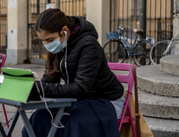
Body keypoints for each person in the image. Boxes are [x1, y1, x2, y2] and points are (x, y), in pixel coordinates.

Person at [22, 9, 124, 137]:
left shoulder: (89, 45)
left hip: (104, 100)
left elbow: (80, 88)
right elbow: (49, 80)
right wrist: (32, 89)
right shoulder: (60, 45)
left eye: (49, 39)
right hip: (78, 99)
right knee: (40, 117)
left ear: (64, 30)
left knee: (71, 121)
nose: (46, 45)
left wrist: (40, 89)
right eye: (43, 41)